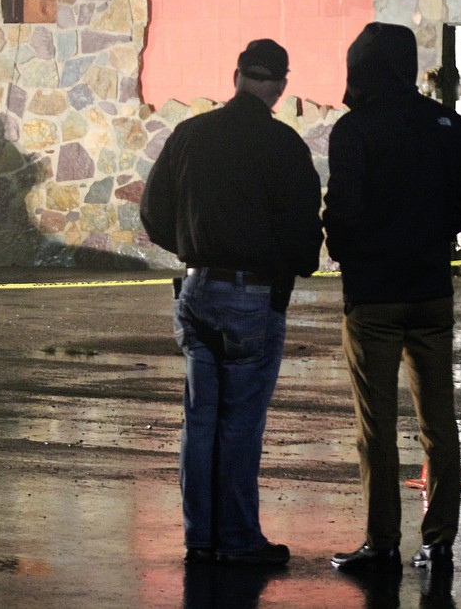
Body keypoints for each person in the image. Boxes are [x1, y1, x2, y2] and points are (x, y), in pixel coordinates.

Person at [140, 39, 324, 567]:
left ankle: (200, 537)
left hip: (196, 288)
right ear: (280, 86)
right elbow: (302, 230)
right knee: (241, 423)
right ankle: (239, 539)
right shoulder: (284, 146)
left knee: (200, 420)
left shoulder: (190, 134)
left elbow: (153, 213)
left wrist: (196, 250)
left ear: (236, 75)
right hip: (253, 296)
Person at [323, 23, 461, 574]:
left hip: (373, 294)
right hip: (430, 290)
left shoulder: (354, 131)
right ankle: (439, 540)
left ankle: (382, 541)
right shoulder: (447, 125)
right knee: (439, 422)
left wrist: (352, 248)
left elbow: (343, 210)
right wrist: (432, 232)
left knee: (376, 427)